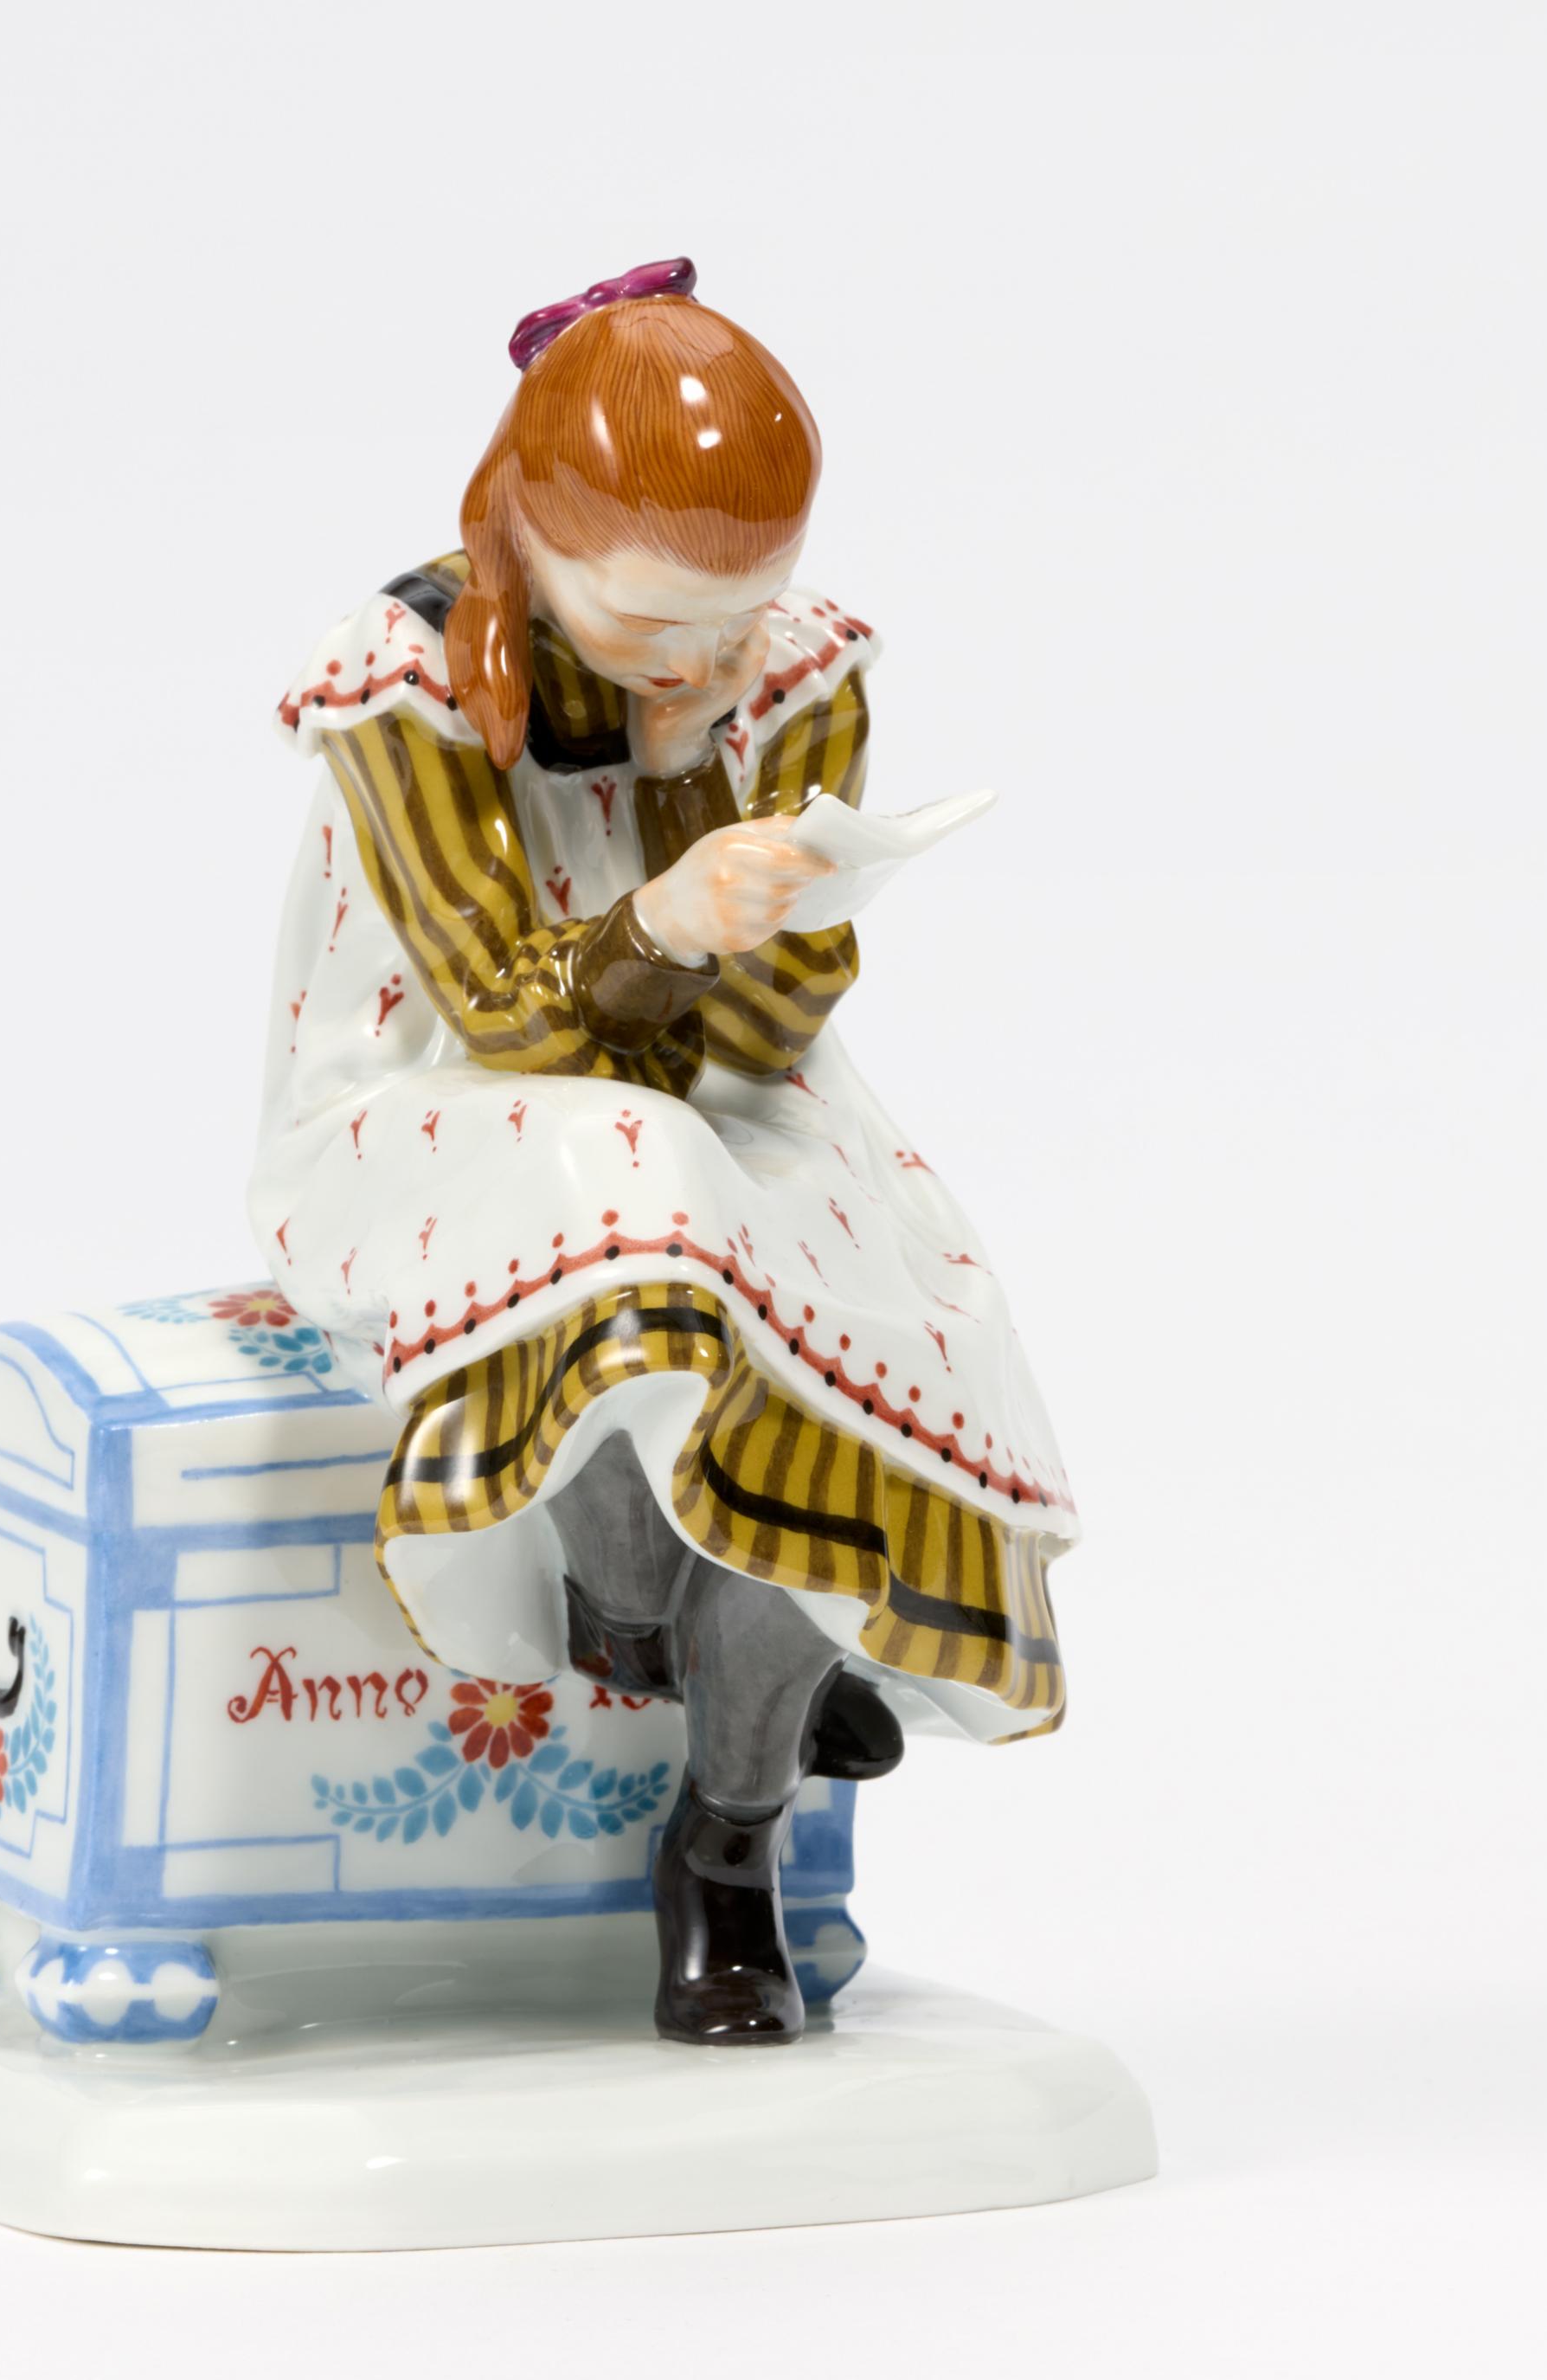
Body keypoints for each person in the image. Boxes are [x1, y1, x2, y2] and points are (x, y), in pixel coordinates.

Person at [250, 260, 1078, 2044]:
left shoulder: (790, 677)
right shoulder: (409, 691)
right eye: (649, 621)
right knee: (642, 1190)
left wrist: (719, 816)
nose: (704, 658)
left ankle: (732, 1815)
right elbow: (502, 1008)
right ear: (529, 539)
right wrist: (666, 918)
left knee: (878, 1301)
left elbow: (770, 1037)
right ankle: (650, 1609)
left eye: (740, 613)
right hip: (438, 1098)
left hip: (712, 1095)